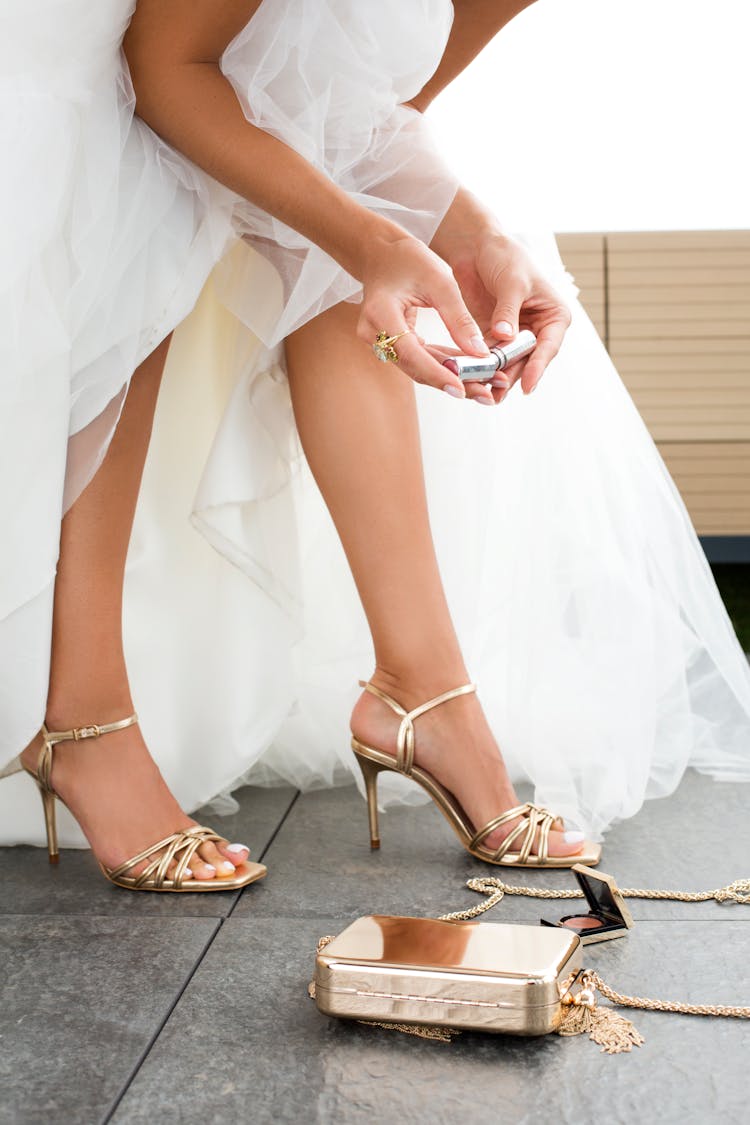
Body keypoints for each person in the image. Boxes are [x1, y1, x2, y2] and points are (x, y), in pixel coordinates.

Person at [2, 1, 749, 887]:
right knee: (138, 198)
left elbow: (340, 114)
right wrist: (378, 243)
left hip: (192, 64)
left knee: (339, 240)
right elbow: (165, 70)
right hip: (110, 54)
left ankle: (423, 687)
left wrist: (470, 234)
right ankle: (81, 714)